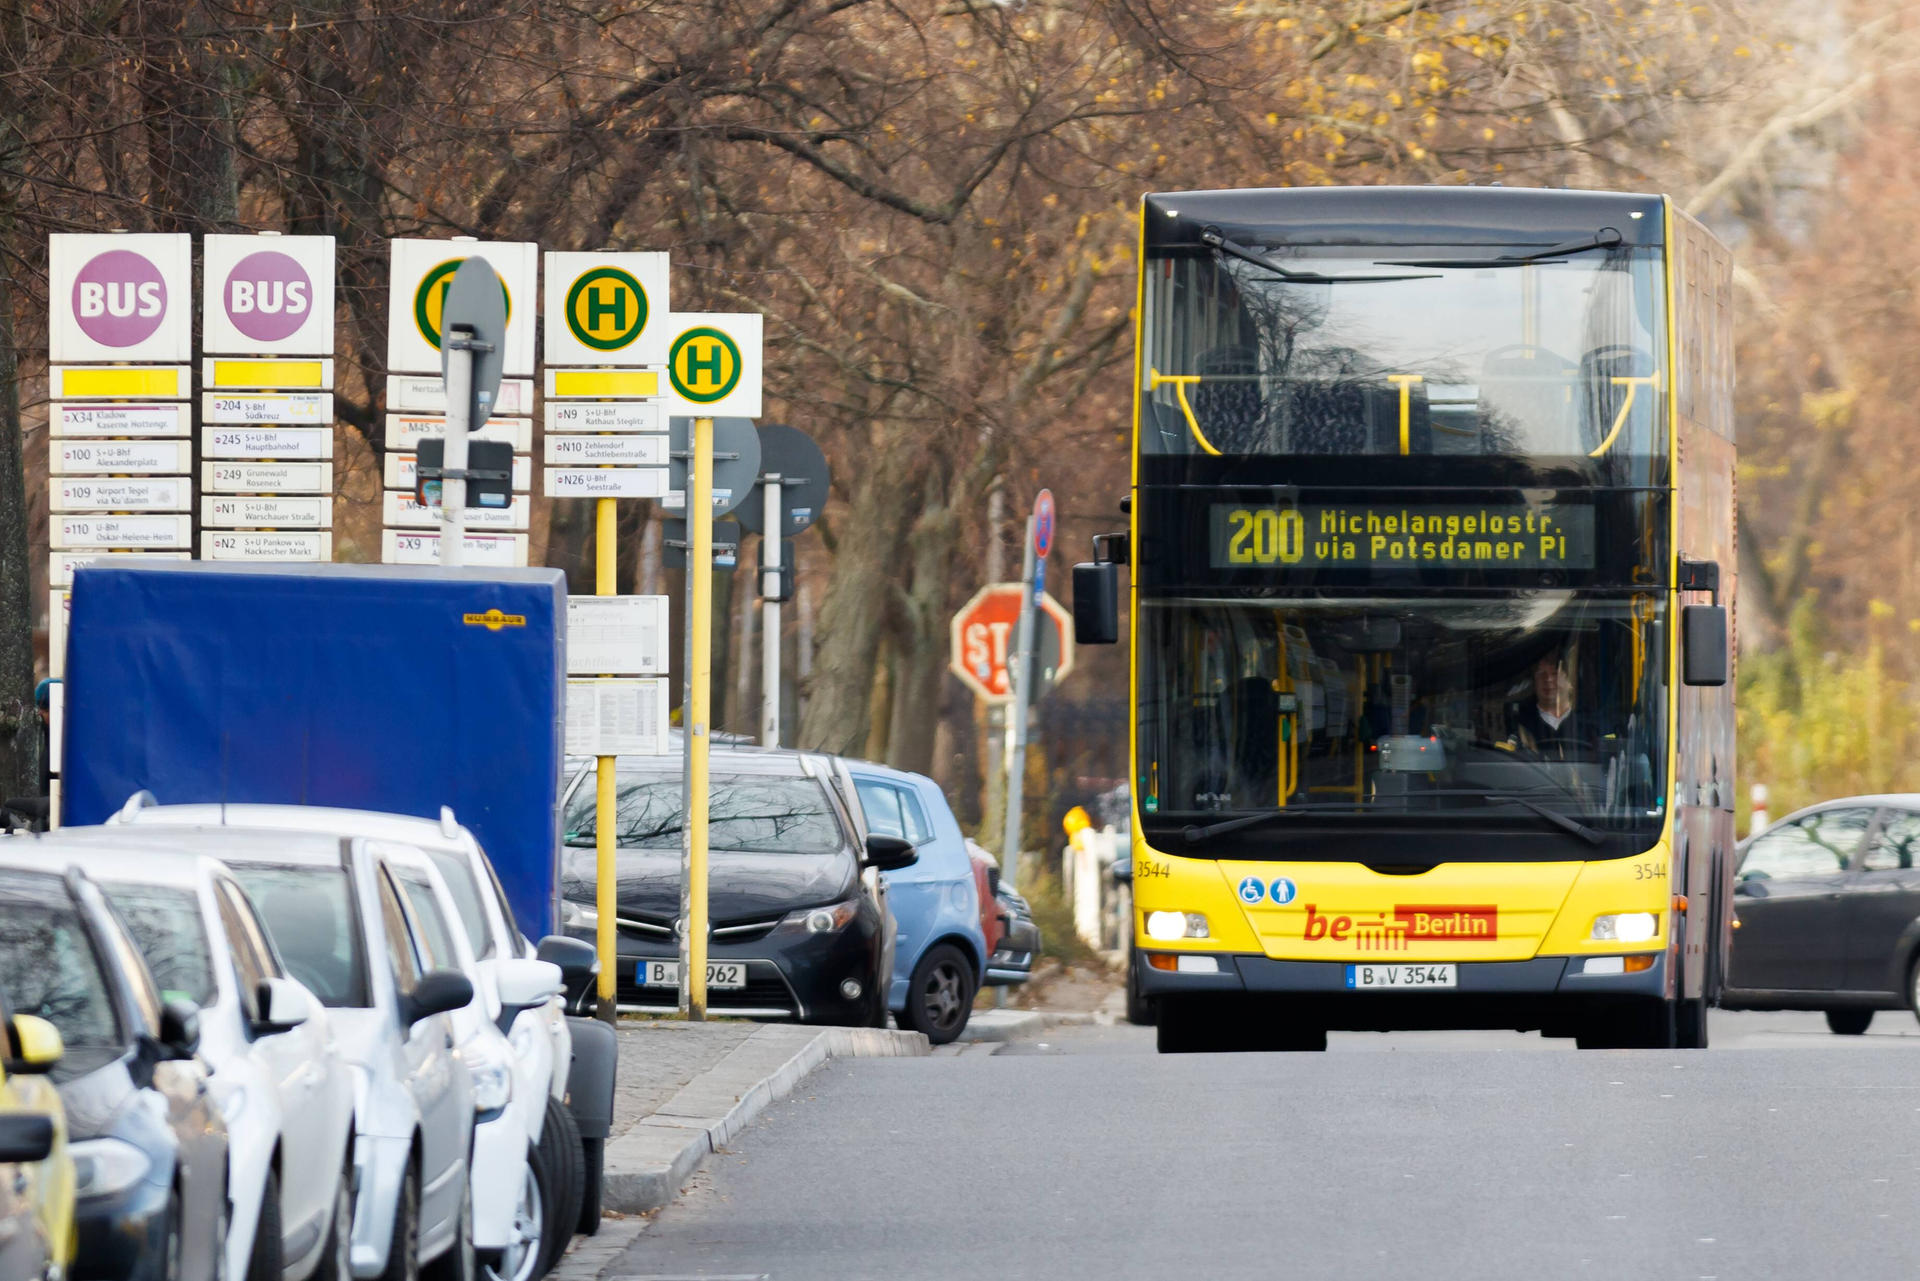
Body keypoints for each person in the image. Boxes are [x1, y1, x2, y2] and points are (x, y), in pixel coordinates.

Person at [1510, 646, 1600, 759]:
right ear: (1534, 682)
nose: (1548, 679)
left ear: (1570, 682)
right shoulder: (1520, 727)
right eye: (1541, 674)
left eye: (1554, 674)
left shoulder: (1592, 726)